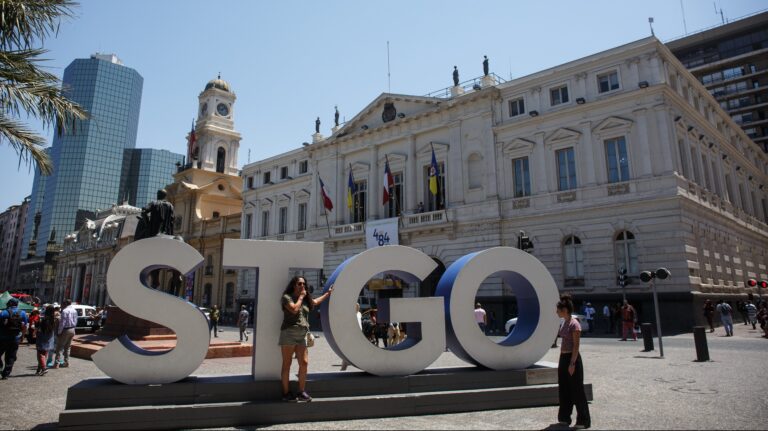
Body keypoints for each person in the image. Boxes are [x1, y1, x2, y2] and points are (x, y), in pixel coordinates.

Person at [279, 276, 333, 402]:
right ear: (294, 285)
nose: (302, 286)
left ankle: (301, 391)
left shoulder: (305, 299)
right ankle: (286, 393)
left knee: (304, 363)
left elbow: (315, 302)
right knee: (287, 364)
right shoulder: (287, 297)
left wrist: (328, 294)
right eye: (299, 283)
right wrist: (302, 297)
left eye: (304, 283)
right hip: (289, 332)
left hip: (303, 333)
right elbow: (293, 309)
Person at [556, 295, 591, 429]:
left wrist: (572, 363)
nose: (556, 312)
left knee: (577, 389)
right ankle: (564, 417)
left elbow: (576, 345)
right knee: (564, 388)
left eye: (558, 310)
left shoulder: (574, 323)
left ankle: (583, 420)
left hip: (572, 358)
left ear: (564, 310)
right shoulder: (564, 322)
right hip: (563, 357)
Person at [0, 298, 29, 379]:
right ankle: (6, 374)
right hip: (15, 338)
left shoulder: (4, 312)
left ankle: (0, 367)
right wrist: (22, 336)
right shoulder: (22, 313)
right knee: (11, 356)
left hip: (3, 337)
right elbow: (25, 326)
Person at [35, 305, 57, 376]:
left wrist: (37, 324)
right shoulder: (54, 318)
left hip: (42, 337)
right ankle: (39, 369)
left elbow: (41, 329)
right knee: (44, 354)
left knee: (40, 354)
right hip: (49, 338)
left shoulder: (44, 319)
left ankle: (44, 368)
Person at [54, 299, 77, 368]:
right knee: (67, 347)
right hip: (72, 329)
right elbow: (76, 321)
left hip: (65, 330)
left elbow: (62, 323)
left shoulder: (64, 311)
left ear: (65, 304)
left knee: (59, 347)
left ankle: (56, 363)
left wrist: (59, 332)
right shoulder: (74, 310)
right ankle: (66, 362)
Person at [340, 303, 362, 371]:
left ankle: (344, 366)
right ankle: (343, 367)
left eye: (358, 306)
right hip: (352, 335)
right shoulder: (350, 314)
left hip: (358, 335)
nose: (358, 307)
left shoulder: (359, 314)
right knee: (348, 352)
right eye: (356, 306)